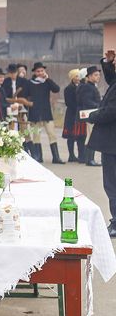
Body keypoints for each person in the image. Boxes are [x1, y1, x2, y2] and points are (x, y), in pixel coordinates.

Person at [85, 50, 116, 236]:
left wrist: (92, 115)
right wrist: (107, 62)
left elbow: (112, 111)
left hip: (112, 143)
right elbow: (112, 79)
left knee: (112, 184)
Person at [26, 62, 63, 164]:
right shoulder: (30, 83)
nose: (40, 72)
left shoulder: (47, 82)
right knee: (36, 135)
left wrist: (48, 78)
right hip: (34, 113)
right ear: (34, 72)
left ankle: (56, 157)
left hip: (46, 112)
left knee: (52, 134)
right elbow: (25, 95)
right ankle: (38, 157)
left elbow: (56, 89)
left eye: (42, 70)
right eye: (38, 71)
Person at [79, 65, 104, 167]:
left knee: (90, 136)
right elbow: (87, 101)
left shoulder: (92, 86)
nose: (98, 77)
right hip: (90, 114)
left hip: (93, 114)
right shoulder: (87, 87)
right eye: (95, 75)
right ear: (88, 76)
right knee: (90, 136)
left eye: (98, 75)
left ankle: (89, 159)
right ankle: (89, 159)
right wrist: (99, 106)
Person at [62, 68, 87, 163]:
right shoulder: (68, 88)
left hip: (79, 113)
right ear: (72, 78)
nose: (78, 78)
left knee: (79, 135)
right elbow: (68, 102)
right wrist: (77, 107)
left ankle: (81, 155)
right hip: (72, 113)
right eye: (76, 76)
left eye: (79, 76)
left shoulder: (81, 86)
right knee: (71, 135)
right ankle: (71, 155)